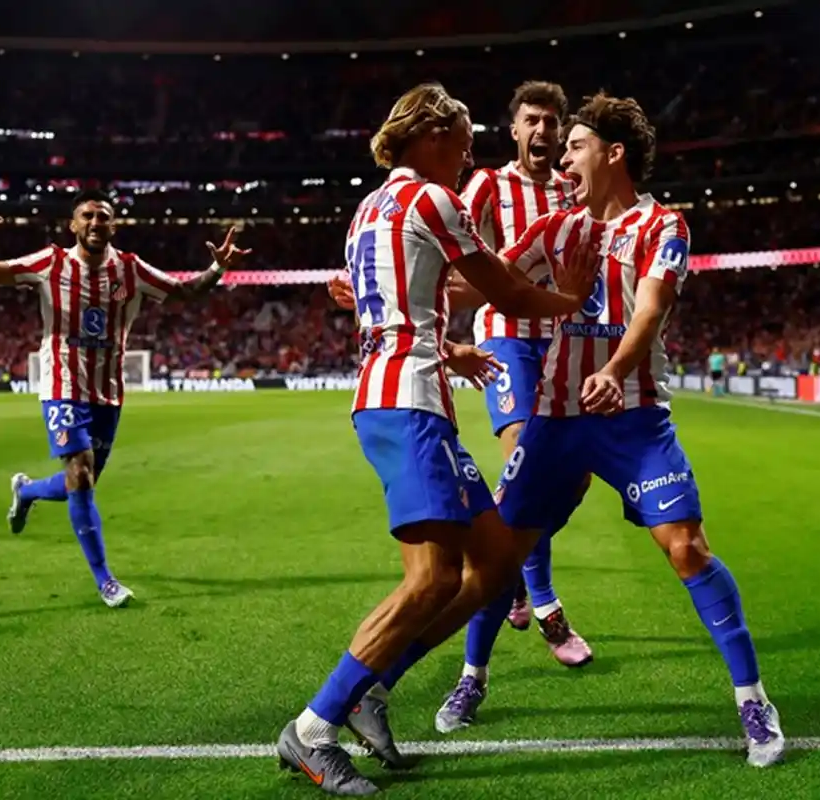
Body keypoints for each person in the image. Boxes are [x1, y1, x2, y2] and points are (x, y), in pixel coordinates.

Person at [276, 83, 598, 797]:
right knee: (429, 581)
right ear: (428, 136)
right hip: (407, 403)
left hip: (409, 391)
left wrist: (447, 352)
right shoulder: (430, 199)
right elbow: (507, 291)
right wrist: (572, 299)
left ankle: (370, 688)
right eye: (460, 137)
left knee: (489, 565)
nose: (468, 153)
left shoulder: (367, 211)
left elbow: (393, 309)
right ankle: (312, 728)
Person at [450, 91, 787, 766]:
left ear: (613, 153)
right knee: (497, 558)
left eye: (574, 145)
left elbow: (651, 310)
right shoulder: (558, 228)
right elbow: (492, 282)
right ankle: (472, 678)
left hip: (632, 416)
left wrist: (616, 368)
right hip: (557, 418)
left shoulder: (665, 225)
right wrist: (411, 289)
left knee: (688, 548)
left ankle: (753, 698)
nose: (562, 156)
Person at [0, 186, 249, 608]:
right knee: (81, 473)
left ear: (114, 224)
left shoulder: (131, 270)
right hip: (62, 387)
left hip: (107, 394)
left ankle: (28, 491)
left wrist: (217, 268)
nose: (95, 222)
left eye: (103, 216)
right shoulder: (50, 263)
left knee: (80, 483)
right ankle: (106, 581)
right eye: (87, 216)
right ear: (73, 224)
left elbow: (184, 292)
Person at [454, 81, 594, 672]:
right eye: (531, 120)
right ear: (514, 130)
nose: (541, 130)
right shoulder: (487, 184)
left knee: (572, 477)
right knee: (525, 456)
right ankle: (546, 606)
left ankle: (512, 573)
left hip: (563, 341)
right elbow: (452, 248)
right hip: (505, 337)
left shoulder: (574, 189)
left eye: (551, 122)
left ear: (561, 131)